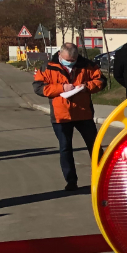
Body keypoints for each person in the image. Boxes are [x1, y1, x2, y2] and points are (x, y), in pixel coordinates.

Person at [33, 43, 105, 190]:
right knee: (65, 148)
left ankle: (103, 176)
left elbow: (101, 81)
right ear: (59, 54)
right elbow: (38, 87)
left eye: (73, 60)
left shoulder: (87, 65)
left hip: (83, 113)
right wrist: (61, 88)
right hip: (61, 115)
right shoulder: (48, 67)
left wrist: (87, 86)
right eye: (67, 60)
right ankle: (71, 181)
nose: (70, 62)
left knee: (95, 146)